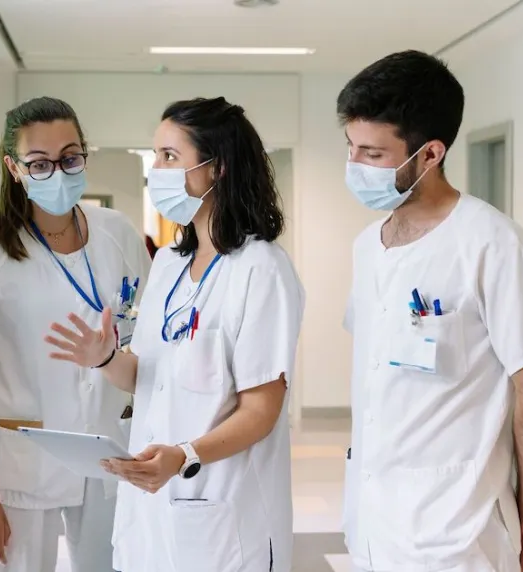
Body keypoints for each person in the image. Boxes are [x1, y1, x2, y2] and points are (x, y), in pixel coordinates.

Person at [46, 97, 305, 572]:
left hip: (221, 509)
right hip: (153, 504)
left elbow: (263, 410)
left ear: (218, 167)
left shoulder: (261, 269)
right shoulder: (168, 263)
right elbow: (147, 376)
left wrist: (184, 455)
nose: (156, 171)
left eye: (170, 156)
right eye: (156, 156)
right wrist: (105, 358)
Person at [337, 50, 523, 572]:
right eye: (351, 147)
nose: (355, 166)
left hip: (456, 536)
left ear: (430, 154)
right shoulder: (367, 246)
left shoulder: (491, 243)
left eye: (373, 154)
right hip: (372, 526)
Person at [0, 96, 151, 572]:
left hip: (109, 455)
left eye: (70, 157)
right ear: (14, 168)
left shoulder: (118, 232)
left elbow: (144, 343)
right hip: (20, 463)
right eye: (40, 163)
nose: (58, 172)